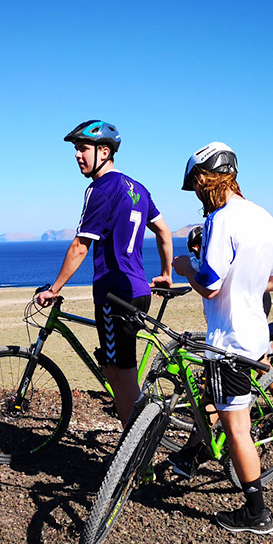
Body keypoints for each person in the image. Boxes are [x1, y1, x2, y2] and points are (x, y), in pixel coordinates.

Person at [172, 141, 273, 535]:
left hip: (229, 340)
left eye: (198, 184)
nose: (198, 193)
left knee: (237, 429)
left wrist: (187, 266)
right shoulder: (266, 219)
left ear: (209, 179)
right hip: (256, 334)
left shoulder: (221, 220)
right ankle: (194, 452)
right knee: (215, 399)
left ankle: (256, 512)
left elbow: (210, 286)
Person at [38, 120, 172, 427]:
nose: (77, 155)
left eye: (83, 148)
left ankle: (135, 454)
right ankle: (136, 445)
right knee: (119, 369)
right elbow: (163, 231)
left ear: (105, 151)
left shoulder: (100, 189)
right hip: (138, 291)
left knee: (120, 376)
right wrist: (166, 273)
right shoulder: (137, 188)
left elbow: (80, 246)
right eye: (75, 149)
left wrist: (54, 288)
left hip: (115, 295)